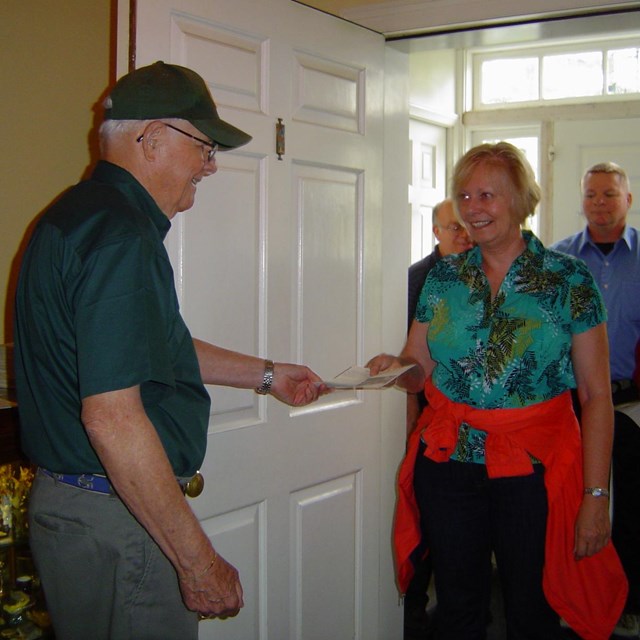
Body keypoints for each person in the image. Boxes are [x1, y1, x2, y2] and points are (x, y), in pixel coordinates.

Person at [13, 61, 327, 640]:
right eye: (204, 147)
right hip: (119, 519)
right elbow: (112, 418)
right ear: (153, 139)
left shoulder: (75, 217)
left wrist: (267, 376)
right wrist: (197, 563)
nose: (210, 165)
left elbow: (157, 348)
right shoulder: (120, 237)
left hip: (86, 510)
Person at [368, 142, 627, 640]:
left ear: (520, 199)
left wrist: (596, 496)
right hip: (448, 463)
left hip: (534, 467)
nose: (472, 208)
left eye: (487, 194)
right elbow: (418, 367)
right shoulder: (445, 277)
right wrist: (393, 368)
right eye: (464, 195)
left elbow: (596, 396)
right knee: (458, 607)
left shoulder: (568, 279)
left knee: (532, 608)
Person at [553, 162, 640, 637]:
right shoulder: (559, 260)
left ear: (628, 199)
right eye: (591, 195)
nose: (599, 203)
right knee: (574, 504)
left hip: (630, 405)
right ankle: (573, 598)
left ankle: (627, 601)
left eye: (609, 194)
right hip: (571, 404)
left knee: (628, 511)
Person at [404, 199, 473, 637]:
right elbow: (412, 359)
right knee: (427, 531)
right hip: (428, 413)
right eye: (454, 228)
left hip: (477, 424)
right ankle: (413, 616)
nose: (464, 236)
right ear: (435, 232)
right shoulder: (416, 279)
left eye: (468, 228)